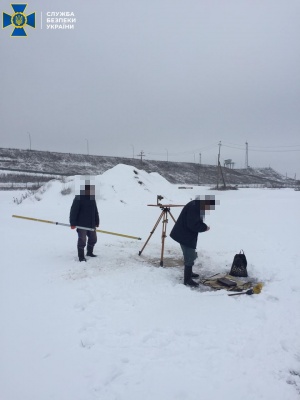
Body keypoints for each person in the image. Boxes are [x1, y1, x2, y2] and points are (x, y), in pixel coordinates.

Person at [170, 196, 216, 287]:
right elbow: (192, 224)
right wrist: (205, 228)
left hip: (186, 234)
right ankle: (187, 280)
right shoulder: (194, 208)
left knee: (190, 254)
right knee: (190, 256)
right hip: (184, 235)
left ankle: (190, 273)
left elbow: (196, 220)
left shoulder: (196, 205)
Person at [69, 183, 100, 262]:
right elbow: (73, 211)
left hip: (91, 223)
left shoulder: (92, 198)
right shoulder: (79, 197)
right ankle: (81, 256)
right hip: (81, 224)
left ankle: (89, 252)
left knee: (93, 239)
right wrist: (72, 223)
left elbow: (95, 211)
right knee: (82, 240)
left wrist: (97, 221)